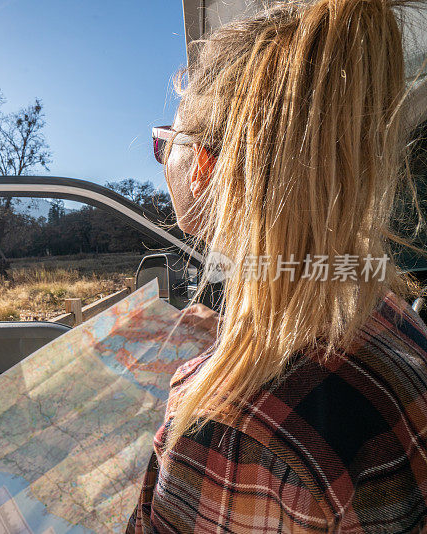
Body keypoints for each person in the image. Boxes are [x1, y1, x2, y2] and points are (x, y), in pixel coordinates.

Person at [127, 0, 427, 532]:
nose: (161, 155)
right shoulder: (393, 313)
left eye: (163, 143)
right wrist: (227, 337)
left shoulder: (229, 423)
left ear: (204, 167)